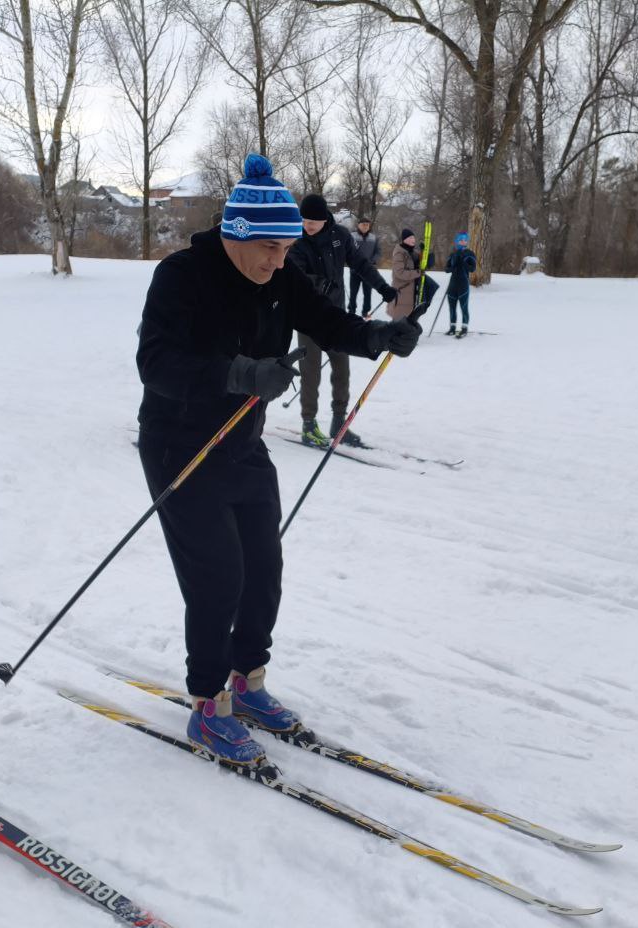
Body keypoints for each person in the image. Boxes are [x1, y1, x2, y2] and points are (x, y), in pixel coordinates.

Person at [136, 156, 426, 765]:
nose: (278, 260)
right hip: (181, 446)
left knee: (263, 571)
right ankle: (209, 706)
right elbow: (155, 365)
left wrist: (378, 337)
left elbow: (327, 322)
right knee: (218, 579)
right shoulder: (183, 277)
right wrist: (240, 373)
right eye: (269, 247)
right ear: (236, 235)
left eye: (286, 247)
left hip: (242, 444)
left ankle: (248, 683)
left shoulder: (281, 276)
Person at [289, 195, 397, 448]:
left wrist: (383, 288)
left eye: (312, 221)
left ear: (324, 218)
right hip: (309, 315)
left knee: (342, 371)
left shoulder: (340, 236)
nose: (308, 225)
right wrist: (319, 283)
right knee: (311, 372)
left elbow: (361, 264)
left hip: (336, 314)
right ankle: (308, 424)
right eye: (304, 220)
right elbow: (294, 275)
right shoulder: (296, 240)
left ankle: (339, 422)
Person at [388, 227, 436, 322]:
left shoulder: (412, 252)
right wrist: (418, 273)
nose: (412, 240)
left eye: (413, 238)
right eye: (410, 238)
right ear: (404, 240)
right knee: (400, 316)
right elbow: (400, 273)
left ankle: (408, 334)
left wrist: (425, 252)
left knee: (410, 315)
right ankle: (396, 334)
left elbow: (422, 263)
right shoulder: (399, 253)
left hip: (411, 289)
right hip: (402, 289)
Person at [444, 232, 478, 338]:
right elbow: (446, 269)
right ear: (457, 241)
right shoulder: (453, 254)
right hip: (452, 284)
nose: (463, 242)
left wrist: (463, 262)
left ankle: (464, 328)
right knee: (452, 307)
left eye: (465, 240)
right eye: (461, 240)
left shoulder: (469, 253)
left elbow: (472, 269)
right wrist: (452, 268)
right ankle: (453, 328)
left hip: (463, 284)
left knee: (464, 307)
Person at [347, 216, 380, 316]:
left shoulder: (374, 238)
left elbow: (378, 252)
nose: (365, 226)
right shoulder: (351, 236)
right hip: (355, 270)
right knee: (353, 292)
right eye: (363, 224)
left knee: (367, 293)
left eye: (367, 225)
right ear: (358, 225)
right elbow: (348, 250)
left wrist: (372, 261)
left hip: (368, 270)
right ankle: (351, 310)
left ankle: (365, 311)